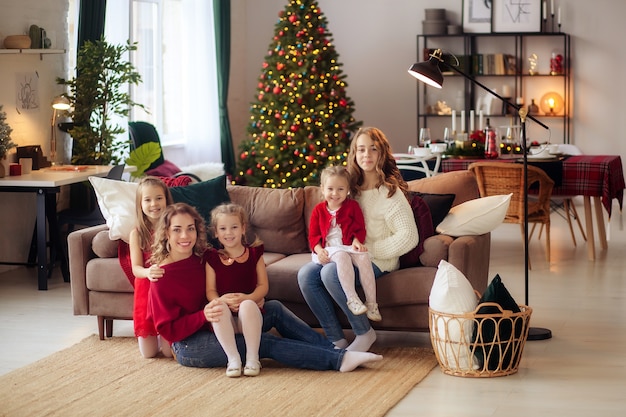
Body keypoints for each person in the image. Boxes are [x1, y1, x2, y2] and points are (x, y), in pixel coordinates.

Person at [147, 202, 383, 372]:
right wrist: (203, 315)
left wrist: (249, 299)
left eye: (190, 228)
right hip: (191, 344)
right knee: (264, 343)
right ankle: (339, 361)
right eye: (177, 230)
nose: (184, 235)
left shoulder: (200, 258)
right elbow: (167, 331)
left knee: (275, 309)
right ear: (165, 233)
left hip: (222, 320)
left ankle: (333, 350)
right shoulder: (161, 276)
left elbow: (228, 279)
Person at [298, 127, 419, 352]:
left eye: (373, 149)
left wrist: (366, 250)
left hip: (377, 259)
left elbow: (409, 237)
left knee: (330, 274)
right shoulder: (348, 189)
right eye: (361, 149)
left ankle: (364, 333)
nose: (367, 155)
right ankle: (336, 339)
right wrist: (324, 249)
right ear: (354, 153)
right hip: (343, 253)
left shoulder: (390, 193)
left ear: (382, 154)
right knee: (306, 275)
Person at [309, 165, 381, 322]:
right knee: (341, 256)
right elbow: (313, 236)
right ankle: (352, 299)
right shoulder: (318, 210)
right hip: (329, 249)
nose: (335, 194)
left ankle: (372, 303)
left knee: (363, 257)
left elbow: (360, 229)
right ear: (322, 189)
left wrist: (357, 241)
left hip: (348, 245)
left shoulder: (353, 207)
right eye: (330, 189)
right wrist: (319, 250)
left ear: (348, 189)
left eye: (340, 189)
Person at [206, 203, 268, 377]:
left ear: (243, 228)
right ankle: (233, 359)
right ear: (216, 233)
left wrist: (248, 298)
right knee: (217, 307)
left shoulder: (255, 254)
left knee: (248, 305)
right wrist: (222, 300)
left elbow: (263, 286)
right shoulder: (212, 258)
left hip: (249, 316)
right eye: (223, 228)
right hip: (227, 319)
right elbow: (210, 291)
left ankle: (252, 358)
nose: (229, 232)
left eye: (234, 227)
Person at [127, 176, 174, 358]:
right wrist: (147, 272)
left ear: (166, 200)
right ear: (140, 204)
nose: (154, 204)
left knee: (170, 354)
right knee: (148, 354)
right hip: (146, 290)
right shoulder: (137, 234)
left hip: (168, 292)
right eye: (147, 200)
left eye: (159, 198)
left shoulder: (174, 228)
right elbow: (136, 268)